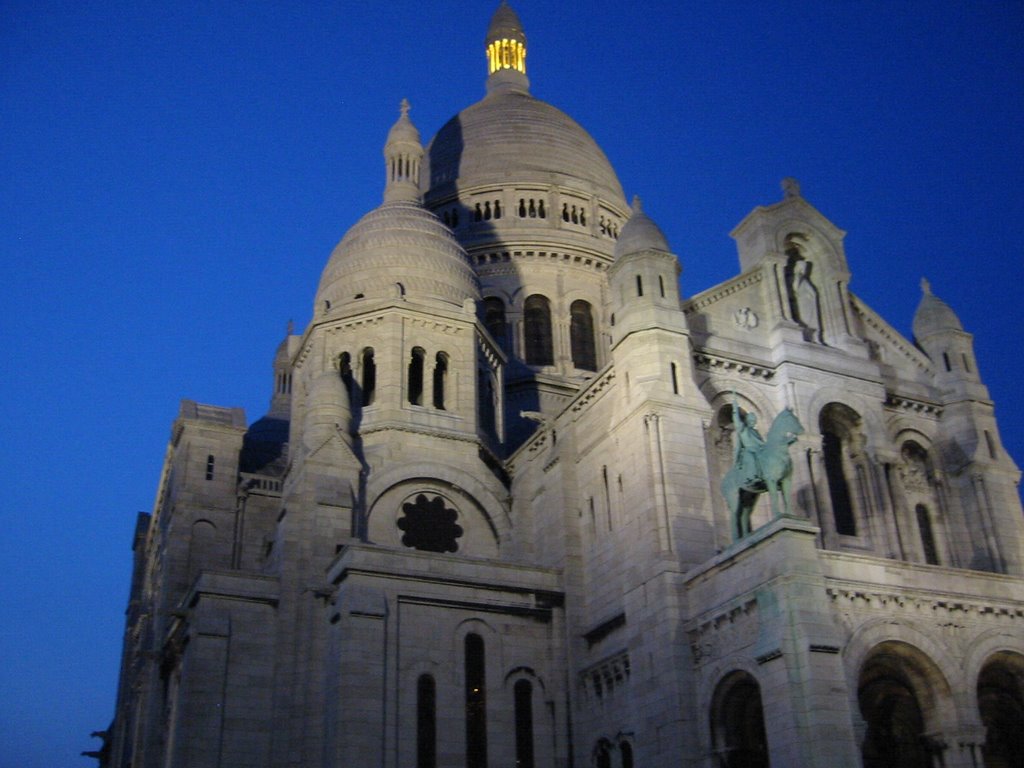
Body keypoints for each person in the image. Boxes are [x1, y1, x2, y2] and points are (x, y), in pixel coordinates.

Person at [731, 392, 765, 488]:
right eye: (750, 420)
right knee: (750, 456)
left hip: (758, 450)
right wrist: (735, 410)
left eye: (754, 421)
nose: (752, 422)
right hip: (748, 451)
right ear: (747, 420)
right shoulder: (743, 429)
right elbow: (737, 422)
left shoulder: (756, 432)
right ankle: (752, 478)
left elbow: (761, 443)